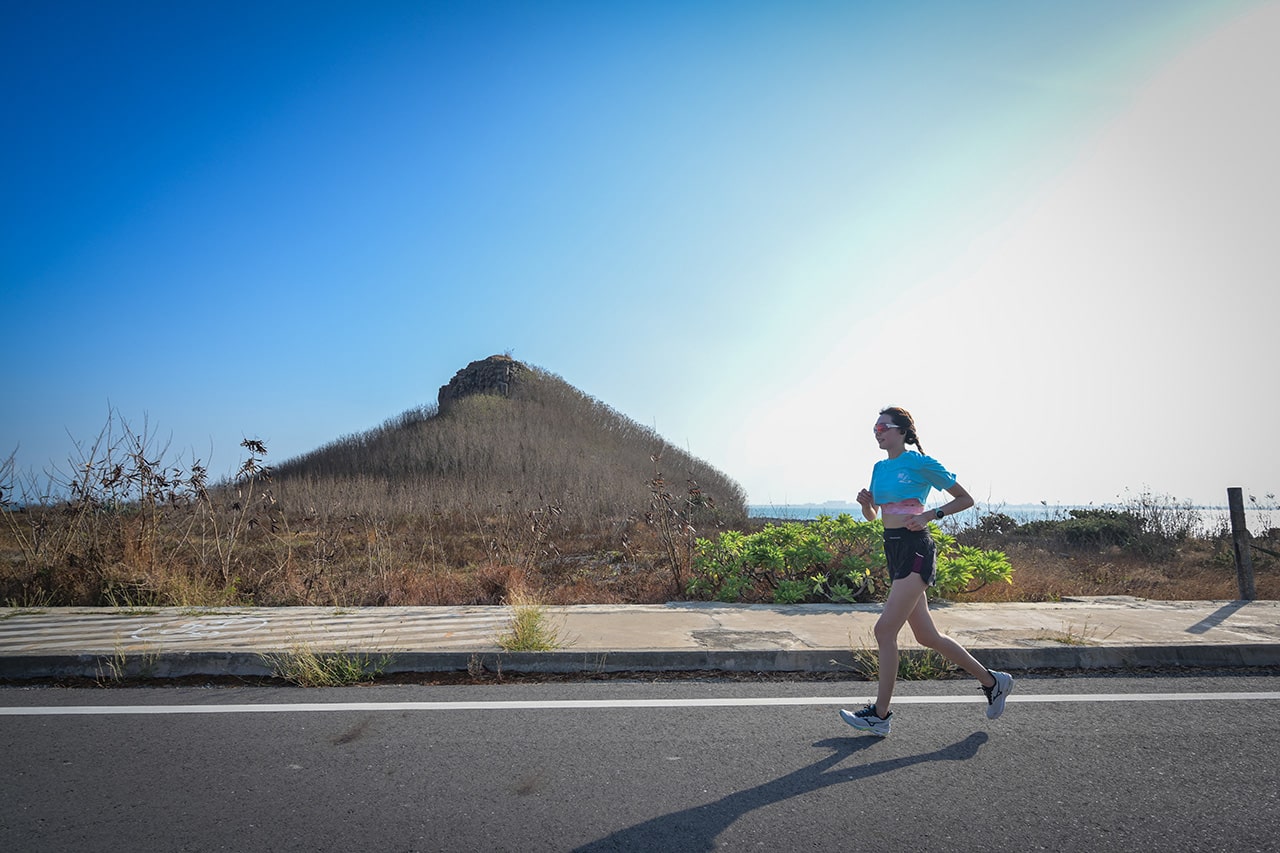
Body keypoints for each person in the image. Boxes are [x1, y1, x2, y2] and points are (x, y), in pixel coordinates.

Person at [839, 406, 1013, 737]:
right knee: (927, 636)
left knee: (884, 631)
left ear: (901, 431)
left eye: (882, 427)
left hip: (917, 547)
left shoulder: (920, 463)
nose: (877, 432)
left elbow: (965, 499)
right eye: (874, 428)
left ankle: (880, 715)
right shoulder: (879, 467)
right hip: (894, 549)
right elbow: (874, 516)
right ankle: (994, 682)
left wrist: (930, 515)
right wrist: (865, 504)